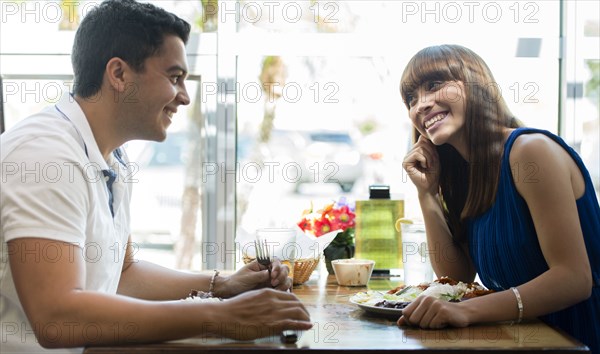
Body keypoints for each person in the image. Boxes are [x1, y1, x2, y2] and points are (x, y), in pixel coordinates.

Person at [0, 1, 312, 353]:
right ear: (118, 74)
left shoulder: (110, 155)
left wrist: (221, 284)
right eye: (174, 77)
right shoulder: (45, 155)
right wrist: (219, 315)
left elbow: (123, 275)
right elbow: (57, 319)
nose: (184, 96)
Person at [399, 44, 599, 353]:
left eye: (434, 85)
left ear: (474, 84)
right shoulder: (466, 176)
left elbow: (574, 279)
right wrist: (427, 193)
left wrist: (464, 312)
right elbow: (457, 276)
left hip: (576, 339)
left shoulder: (530, 152)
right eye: (411, 98)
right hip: (520, 342)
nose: (420, 105)